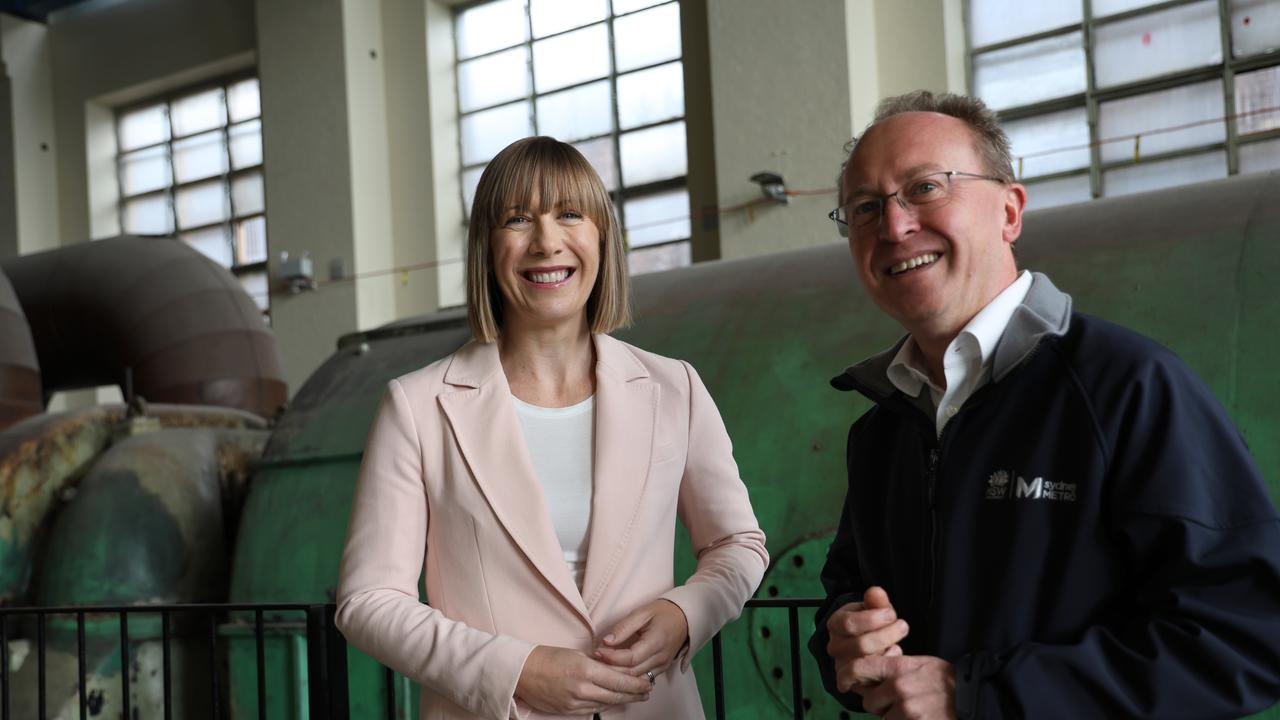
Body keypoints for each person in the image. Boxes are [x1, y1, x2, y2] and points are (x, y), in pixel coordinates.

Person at [808, 90, 1280, 719]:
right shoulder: (884, 425)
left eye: (925, 188)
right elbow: (848, 591)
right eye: (866, 207)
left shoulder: (1127, 389)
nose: (894, 227)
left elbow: (1248, 639)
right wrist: (844, 636)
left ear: (1010, 212)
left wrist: (974, 694)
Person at [335, 136, 768, 720]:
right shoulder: (416, 406)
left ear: (602, 238)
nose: (546, 242)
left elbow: (737, 545)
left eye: (569, 214)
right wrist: (515, 670)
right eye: (518, 219)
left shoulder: (675, 389)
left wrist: (686, 613)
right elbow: (368, 601)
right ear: (487, 250)